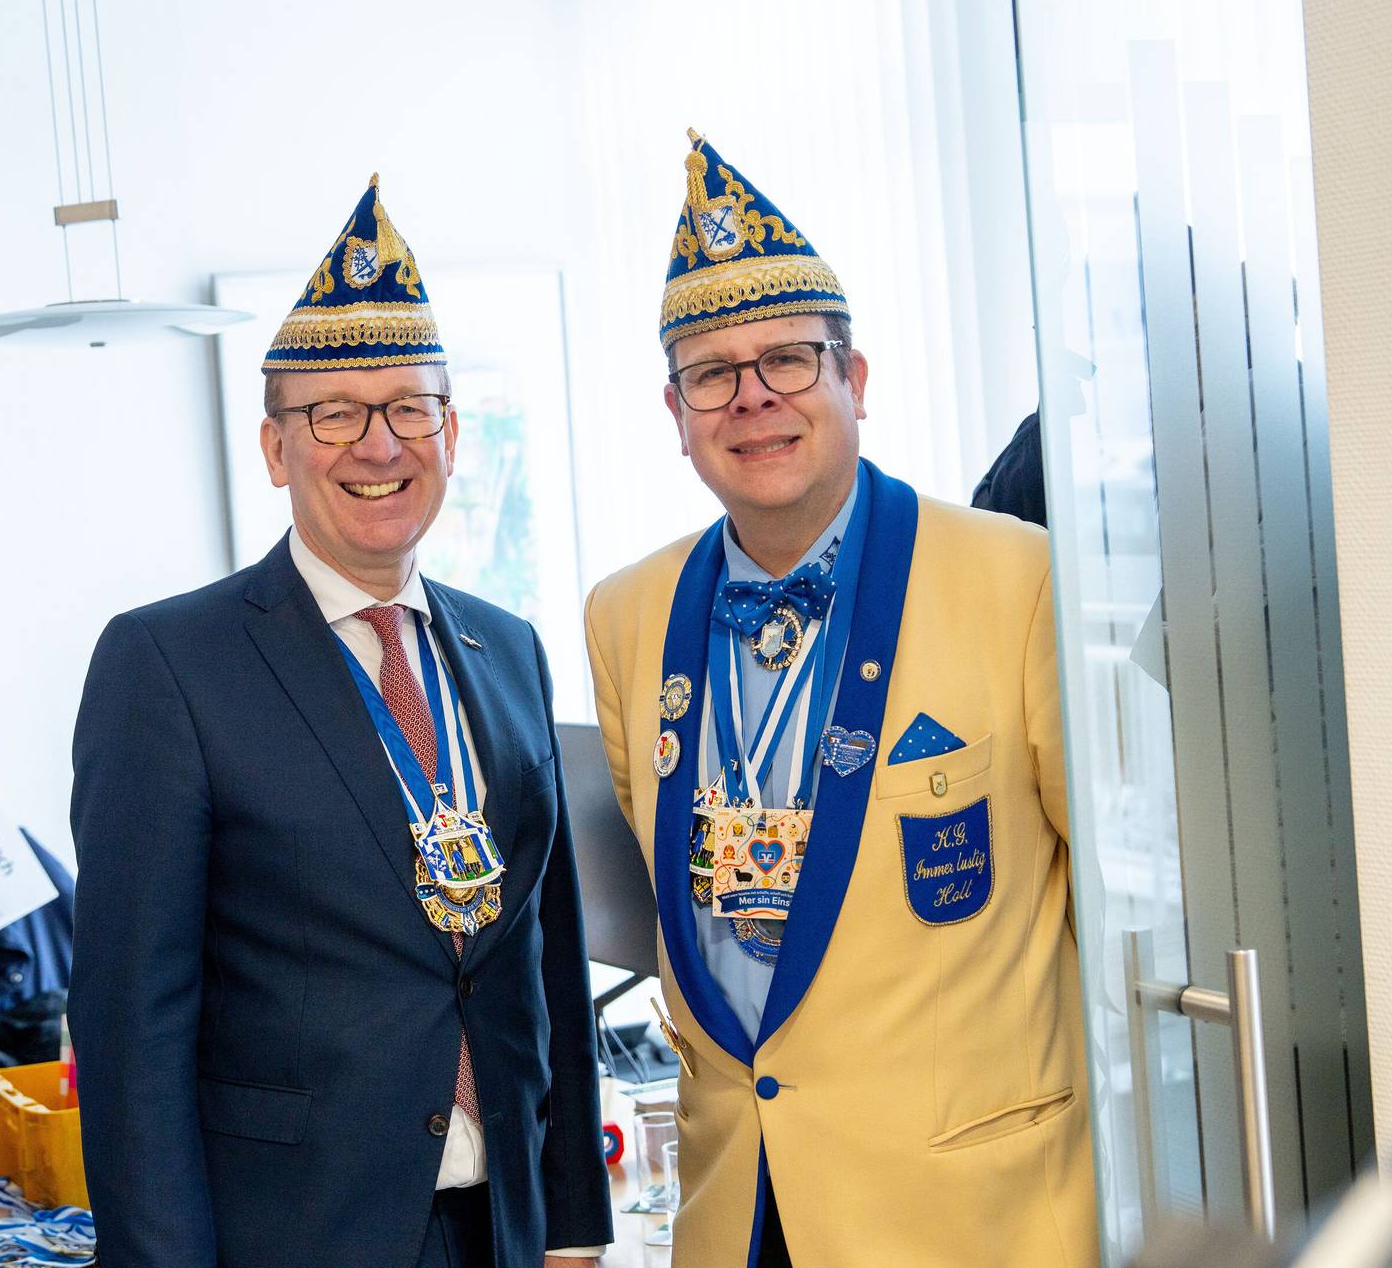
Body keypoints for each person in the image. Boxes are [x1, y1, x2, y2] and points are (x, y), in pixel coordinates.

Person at [69, 176, 612, 1268]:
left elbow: (544, 961)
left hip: (499, 1225)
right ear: (276, 448)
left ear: (453, 433)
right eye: (334, 414)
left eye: (411, 407)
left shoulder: (510, 650)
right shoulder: (169, 664)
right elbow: (133, 1028)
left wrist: (571, 1219)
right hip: (294, 1232)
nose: (379, 443)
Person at [582, 133, 1093, 1267]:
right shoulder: (623, 615)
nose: (752, 396)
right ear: (675, 413)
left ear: (854, 380)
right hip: (736, 1213)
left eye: (790, 360)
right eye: (712, 372)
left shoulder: (1017, 579)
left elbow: (1116, 908)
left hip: (972, 1218)